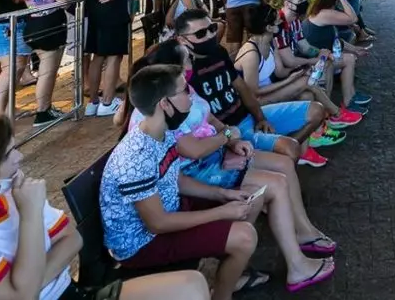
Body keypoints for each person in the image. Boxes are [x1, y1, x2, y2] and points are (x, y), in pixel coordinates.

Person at [111, 63, 337, 295]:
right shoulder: (136, 157)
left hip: (172, 210)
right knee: (244, 236)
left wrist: (223, 194)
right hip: (144, 242)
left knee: (251, 197)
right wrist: (221, 212)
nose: (191, 97)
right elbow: (158, 223)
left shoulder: (162, 130)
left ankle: (244, 274)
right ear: (164, 104)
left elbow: (176, 179)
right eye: (184, 90)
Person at [0, 114, 212, 300]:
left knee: (193, 285)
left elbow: (71, 239)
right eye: (7, 155)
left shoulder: (11, 195)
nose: (19, 157)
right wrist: (31, 216)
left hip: (72, 292)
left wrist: (32, 282)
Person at [175, 9, 330, 167]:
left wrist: (260, 118)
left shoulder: (219, 52)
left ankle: (275, 154)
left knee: (317, 111)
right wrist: (228, 139)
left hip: (246, 115)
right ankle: (277, 156)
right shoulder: (181, 74)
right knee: (290, 149)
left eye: (212, 28)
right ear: (182, 40)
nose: (210, 35)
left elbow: (242, 88)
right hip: (228, 131)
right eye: (201, 34)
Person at [234, 5, 354, 149]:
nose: (281, 22)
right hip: (255, 103)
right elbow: (253, 93)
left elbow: (280, 72)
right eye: (277, 20)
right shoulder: (251, 54)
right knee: (306, 82)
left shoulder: (270, 42)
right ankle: (336, 114)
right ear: (269, 28)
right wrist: (291, 80)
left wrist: (301, 70)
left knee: (306, 94)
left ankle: (310, 142)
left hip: (268, 93)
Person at [12, 0, 70, 127]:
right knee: (48, 72)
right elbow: (63, 2)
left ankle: (46, 108)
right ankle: (43, 112)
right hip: (51, 25)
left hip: (33, 23)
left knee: (45, 70)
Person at [286, 0, 368, 114]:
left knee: (349, 58)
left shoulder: (318, 13)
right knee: (341, 60)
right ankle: (343, 105)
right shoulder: (324, 14)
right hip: (311, 62)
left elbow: (333, 39)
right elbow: (353, 18)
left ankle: (350, 97)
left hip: (317, 56)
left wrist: (354, 49)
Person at [84, 0, 131, 118]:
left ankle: (93, 102)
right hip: (113, 14)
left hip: (98, 13)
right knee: (113, 57)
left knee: (98, 56)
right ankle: (108, 101)